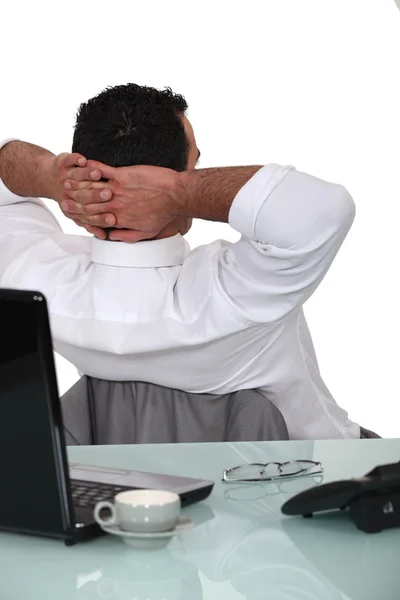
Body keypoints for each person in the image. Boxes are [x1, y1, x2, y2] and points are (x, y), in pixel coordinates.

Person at [0, 83, 367, 440]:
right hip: (321, 473)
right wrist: (177, 192)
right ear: (164, 180)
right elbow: (325, 209)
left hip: (129, 483)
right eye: (193, 167)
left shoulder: (39, 283)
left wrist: (51, 175)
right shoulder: (234, 294)